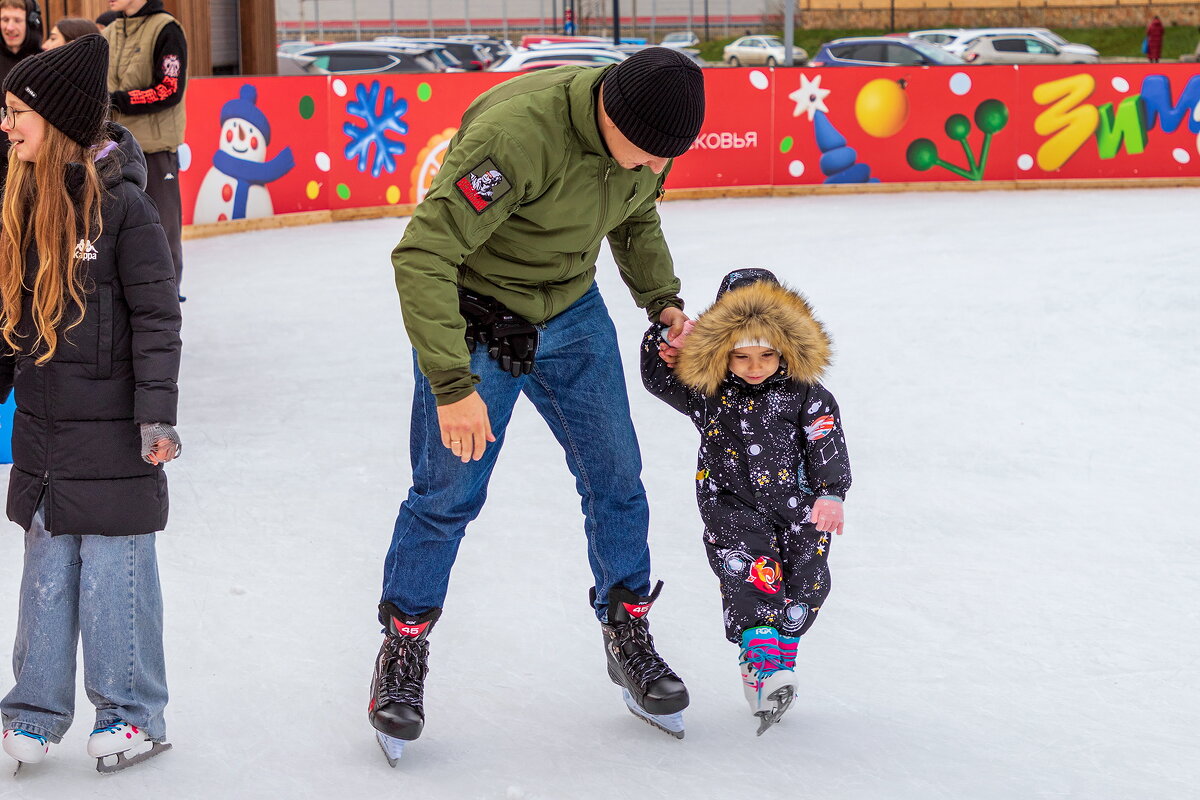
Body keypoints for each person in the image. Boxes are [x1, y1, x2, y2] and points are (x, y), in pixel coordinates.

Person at [371, 47, 705, 756]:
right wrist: (453, 387)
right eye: (644, 153)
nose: (652, 168)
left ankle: (627, 628)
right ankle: (402, 651)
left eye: (661, 161)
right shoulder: (518, 137)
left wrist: (662, 301)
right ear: (611, 113)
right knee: (447, 495)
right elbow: (422, 255)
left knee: (616, 478)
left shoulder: (648, 144)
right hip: (477, 318)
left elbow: (637, 214)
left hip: (573, 313)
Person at [0, 35, 182, 773]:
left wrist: (157, 415)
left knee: (116, 578)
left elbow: (159, 318)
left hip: (113, 436)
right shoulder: (25, 200)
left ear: (61, 122)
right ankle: (36, 712)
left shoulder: (127, 211)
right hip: (46, 432)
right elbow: (8, 326)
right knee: (45, 578)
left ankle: (132, 713)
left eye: (16, 112)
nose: (5, 124)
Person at [640, 268, 852, 732]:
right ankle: (761, 663)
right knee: (753, 579)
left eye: (766, 355)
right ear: (722, 351)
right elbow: (657, 378)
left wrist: (831, 493)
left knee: (806, 584)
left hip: (801, 509)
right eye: (740, 356)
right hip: (731, 505)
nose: (754, 366)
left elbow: (825, 440)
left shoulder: (807, 394)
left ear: (786, 348)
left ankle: (781, 664)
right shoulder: (707, 392)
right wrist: (667, 335)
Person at [101, 0, 187, 301]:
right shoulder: (110, 31)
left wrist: (118, 100)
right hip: (112, 151)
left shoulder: (166, 29)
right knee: (113, 234)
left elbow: (169, 88)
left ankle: (165, 306)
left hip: (153, 151)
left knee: (161, 233)